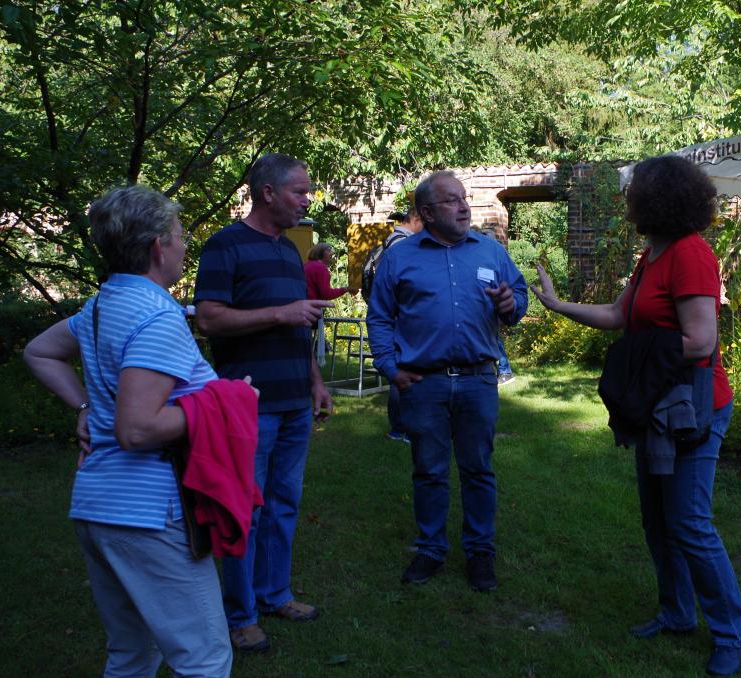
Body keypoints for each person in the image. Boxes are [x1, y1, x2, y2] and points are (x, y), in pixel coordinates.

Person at [531, 155, 741, 676]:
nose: (625, 200)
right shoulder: (653, 255)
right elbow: (617, 316)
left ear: (656, 198)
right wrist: (558, 306)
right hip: (658, 407)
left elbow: (700, 342)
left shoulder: (691, 254)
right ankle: (676, 614)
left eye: (631, 192)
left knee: (691, 523)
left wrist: (636, 356)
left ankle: (729, 633)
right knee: (658, 521)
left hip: (693, 407)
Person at [22, 185, 232, 676]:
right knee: (204, 657)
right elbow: (137, 430)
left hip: (98, 505)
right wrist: (225, 403)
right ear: (159, 246)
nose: (185, 248)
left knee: (132, 651)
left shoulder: (101, 306)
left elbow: (38, 351)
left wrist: (83, 404)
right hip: (148, 515)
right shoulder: (158, 315)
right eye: (181, 237)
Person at [194, 153, 334, 653]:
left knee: (283, 505)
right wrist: (280, 312)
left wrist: (315, 381)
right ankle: (241, 614)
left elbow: (299, 326)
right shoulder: (224, 247)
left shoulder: (291, 253)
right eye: (300, 191)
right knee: (244, 513)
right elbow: (208, 319)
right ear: (268, 193)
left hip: (295, 401)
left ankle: (275, 594)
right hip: (246, 405)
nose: (308, 199)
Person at [367, 171, 528, 592]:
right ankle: (431, 549)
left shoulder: (490, 251)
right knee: (429, 470)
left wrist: (512, 303)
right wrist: (389, 366)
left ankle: (480, 552)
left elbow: (519, 298)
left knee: (478, 469)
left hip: (477, 380)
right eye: (451, 200)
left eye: (463, 198)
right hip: (424, 383)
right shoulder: (400, 257)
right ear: (426, 212)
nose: (463, 206)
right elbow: (380, 316)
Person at [379, 208, 424, 443]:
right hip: (400, 318)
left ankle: (401, 427)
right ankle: (401, 428)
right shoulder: (401, 246)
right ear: (415, 219)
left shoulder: (391, 241)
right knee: (401, 372)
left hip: (397, 317)